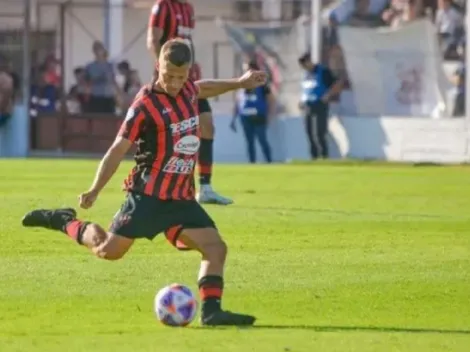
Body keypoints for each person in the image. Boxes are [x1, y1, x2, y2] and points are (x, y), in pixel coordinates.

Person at [21, 39, 267, 326]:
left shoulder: (188, 89)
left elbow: (204, 87)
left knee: (216, 248)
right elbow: (117, 149)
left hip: (180, 198)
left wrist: (239, 83)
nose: (175, 82)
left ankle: (211, 312)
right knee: (107, 250)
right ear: (157, 66)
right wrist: (95, 190)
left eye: (181, 76)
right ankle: (64, 220)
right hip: (147, 196)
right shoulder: (145, 104)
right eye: (168, 75)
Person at [147, 0, 233, 205]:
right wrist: (165, 73)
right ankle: (155, 183)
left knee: (207, 126)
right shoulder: (163, 6)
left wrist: (191, 67)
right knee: (167, 132)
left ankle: (205, 187)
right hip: (171, 82)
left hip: (189, 79)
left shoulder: (188, 9)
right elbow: (153, 41)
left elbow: (186, 43)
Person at [298, 53, 342, 160]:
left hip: (320, 104)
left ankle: (324, 156)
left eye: (305, 65)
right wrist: (301, 100)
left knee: (319, 133)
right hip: (308, 105)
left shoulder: (323, 71)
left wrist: (328, 95)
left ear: (309, 62)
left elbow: (337, 83)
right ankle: (314, 157)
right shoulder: (306, 75)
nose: (304, 68)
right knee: (309, 133)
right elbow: (306, 89)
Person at [231, 60, 275, 163]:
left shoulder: (263, 85)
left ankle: (269, 161)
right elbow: (238, 102)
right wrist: (233, 119)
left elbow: (271, 100)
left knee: (262, 140)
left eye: (248, 70)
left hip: (259, 117)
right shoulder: (241, 85)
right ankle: (252, 163)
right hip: (245, 117)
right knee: (249, 142)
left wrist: (270, 116)